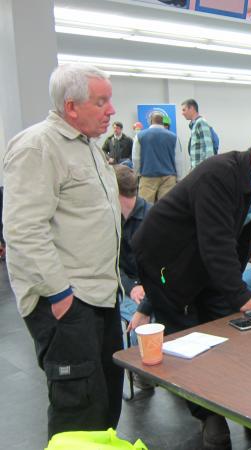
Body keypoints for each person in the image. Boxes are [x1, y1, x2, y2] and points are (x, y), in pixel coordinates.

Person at [131, 125, 251, 450]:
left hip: (202, 262)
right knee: (187, 339)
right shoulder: (219, 175)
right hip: (166, 261)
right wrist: (244, 297)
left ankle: (238, 406)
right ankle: (208, 416)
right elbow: (216, 244)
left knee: (225, 332)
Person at [2, 64, 123, 438]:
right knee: (79, 412)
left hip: (100, 295)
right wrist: (59, 295)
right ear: (72, 107)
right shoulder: (38, 146)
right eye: (101, 101)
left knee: (105, 403)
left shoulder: (87, 146)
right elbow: (23, 230)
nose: (111, 110)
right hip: (69, 302)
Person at [114, 164, 154, 390]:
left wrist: (144, 286)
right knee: (135, 316)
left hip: (153, 284)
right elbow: (112, 264)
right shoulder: (110, 218)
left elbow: (160, 264)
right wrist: (131, 287)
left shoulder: (151, 215)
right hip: (125, 285)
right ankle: (142, 371)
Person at [132, 111, 187, 203]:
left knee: (145, 208)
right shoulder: (174, 137)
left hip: (147, 177)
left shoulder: (140, 136)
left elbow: (136, 159)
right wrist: (179, 178)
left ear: (150, 121)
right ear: (163, 122)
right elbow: (178, 160)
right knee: (166, 208)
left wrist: (137, 174)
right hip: (169, 178)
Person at [181, 98, 215, 169]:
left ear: (192, 108)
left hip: (201, 169)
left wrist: (206, 169)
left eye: (184, 110)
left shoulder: (201, 122)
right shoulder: (195, 125)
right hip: (197, 168)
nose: (182, 113)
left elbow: (208, 148)